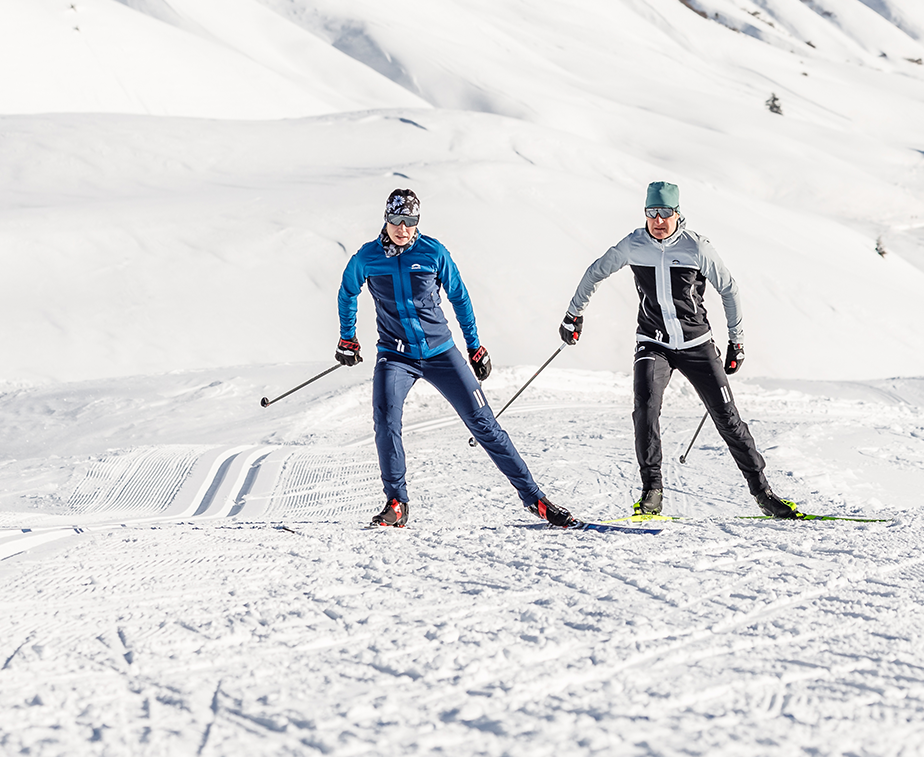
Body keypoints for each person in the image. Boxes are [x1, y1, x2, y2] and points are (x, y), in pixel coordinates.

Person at [558, 180, 799, 518]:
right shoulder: (633, 245)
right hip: (653, 342)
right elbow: (595, 272)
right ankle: (652, 491)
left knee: (728, 419)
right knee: (645, 409)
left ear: (677, 213)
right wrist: (573, 314)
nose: (658, 220)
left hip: (696, 344)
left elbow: (729, 289)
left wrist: (737, 341)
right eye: (652, 213)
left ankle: (763, 493)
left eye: (665, 213)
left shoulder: (697, 248)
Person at [336, 188, 574, 528]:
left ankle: (535, 498)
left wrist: (475, 346)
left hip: (440, 352)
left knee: (484, 424)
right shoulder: (368, 257)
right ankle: (396, 502)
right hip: (395, 355)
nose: (403, 228)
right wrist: (348, 337)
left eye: (410, 221)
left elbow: (459, 297)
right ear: (386, 219)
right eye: (396, 220)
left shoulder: (433, 253)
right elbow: (347, 292)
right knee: (386, 417)